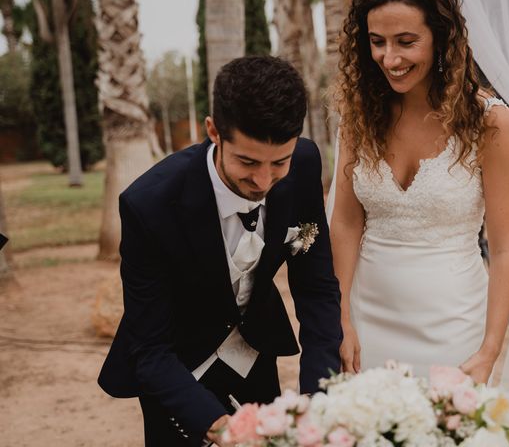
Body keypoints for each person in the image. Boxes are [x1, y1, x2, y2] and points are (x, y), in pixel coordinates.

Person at [98, 56, 342, 447]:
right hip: (176, 376)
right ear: (214, 131)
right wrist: (221, 429)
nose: (264, 180)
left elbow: (317, 287)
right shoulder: (150, 204)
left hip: (256, 354)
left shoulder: (303, 165)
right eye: (247, 161)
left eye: (279, 162)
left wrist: (318, 393)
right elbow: (150, 348)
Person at [330, 0, 509, 384]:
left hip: (453, 324)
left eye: (406, 42)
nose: (390, 59)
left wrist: (491, 349)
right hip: (367, 319)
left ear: (441, 37)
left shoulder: (489, 123)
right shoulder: (358, 116)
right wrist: (341, 317)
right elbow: (345, 222)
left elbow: (506, 246)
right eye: (377, 42)